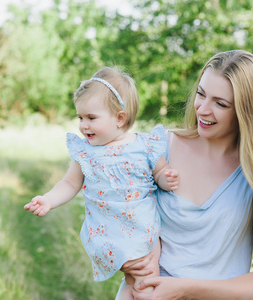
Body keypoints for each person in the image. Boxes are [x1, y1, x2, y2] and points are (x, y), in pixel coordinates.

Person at [117, 50, 253, 300]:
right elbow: (110, 211)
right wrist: (122, 257)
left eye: (220, 104)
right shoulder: (158, 147)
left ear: (247, 112)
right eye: (201, 94)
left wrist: (186, 288)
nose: (203, 109)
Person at [23, 67, 180, 300]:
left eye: (91, 118)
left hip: (141, 231)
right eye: (80, 117)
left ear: (120, 118)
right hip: (108, 235)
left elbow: (160, 173)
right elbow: (69, 183)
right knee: (139, 282)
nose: (83, 125)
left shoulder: (144, 146)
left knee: (144, 283)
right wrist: (48, 200)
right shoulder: (87, 152)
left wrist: (167, 178)